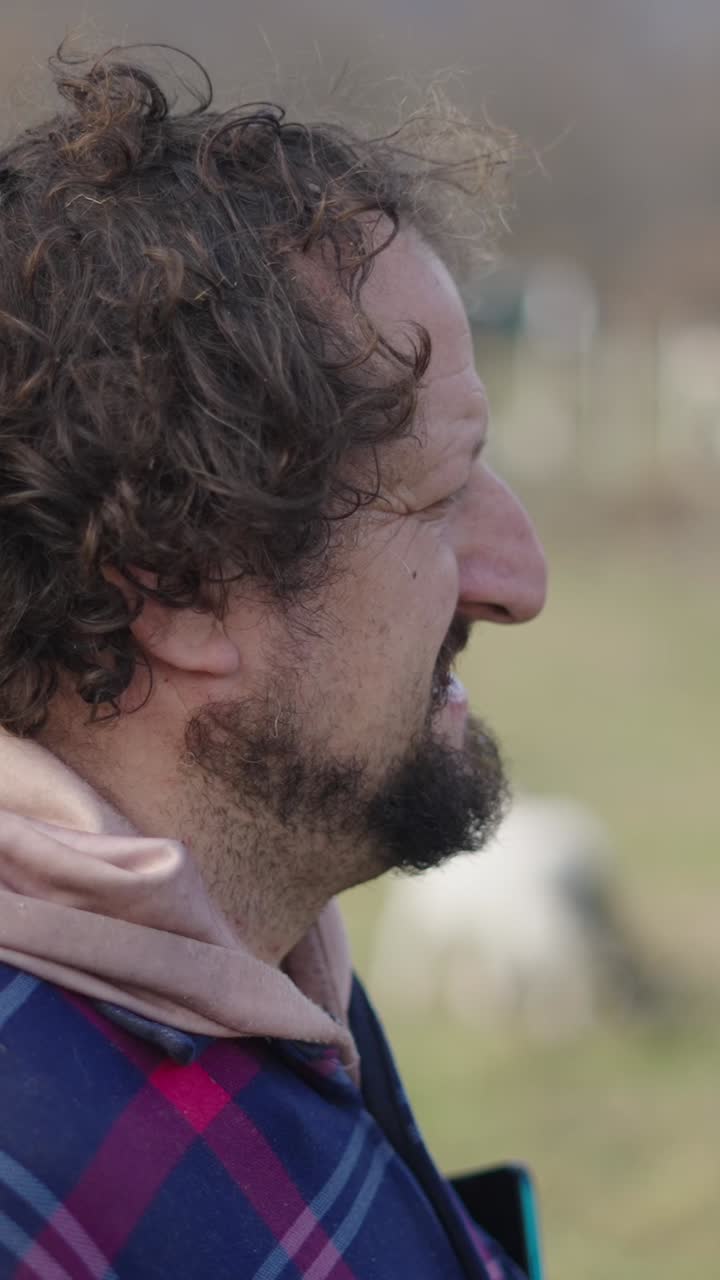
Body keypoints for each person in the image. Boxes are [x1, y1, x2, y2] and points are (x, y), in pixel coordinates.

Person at [0, 46, 546, 1280]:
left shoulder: (241, 968)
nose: (523, 580)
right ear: (180, 583)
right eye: (442, 494)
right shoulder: (28, 1191)